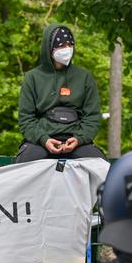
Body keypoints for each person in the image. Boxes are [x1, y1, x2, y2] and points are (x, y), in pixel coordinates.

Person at [15, 24, 104, 163]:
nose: (66, 49)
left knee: (98, 164)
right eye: (61, 46)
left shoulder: (84, 77)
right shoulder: (32, 77)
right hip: (41, 140)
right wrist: (44, 140)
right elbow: (26, 118)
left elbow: (92, 116)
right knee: (26, 163)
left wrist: (80, 139)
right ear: (49, 48)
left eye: (70, 44)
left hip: (76, 140)